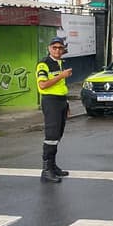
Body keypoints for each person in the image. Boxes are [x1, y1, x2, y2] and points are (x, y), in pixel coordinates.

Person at [36, 36, 73, 183]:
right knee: (51, 136)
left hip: (60, 101)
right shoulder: (43, 64)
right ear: (49, 48)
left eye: (60, 48)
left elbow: (61, 87)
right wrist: (61, 75)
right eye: (54, 47)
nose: (57, 50)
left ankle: (52, 166)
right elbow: (43, 85)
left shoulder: (60, 63)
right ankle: (46, 170)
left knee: (58, 135)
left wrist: (67, 103)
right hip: (50, 101)